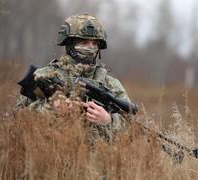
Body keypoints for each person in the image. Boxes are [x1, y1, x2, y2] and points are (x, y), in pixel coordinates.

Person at [15, 13, 132, 142]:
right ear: (69, 44)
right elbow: (18, 117)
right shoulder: (45, 76)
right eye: (84, 42)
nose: (90, 48)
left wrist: (109, 120)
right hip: (51, 155)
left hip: (97, 159)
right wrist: (50, 109)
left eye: (94, 44)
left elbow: (131, 125)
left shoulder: (111, 84)